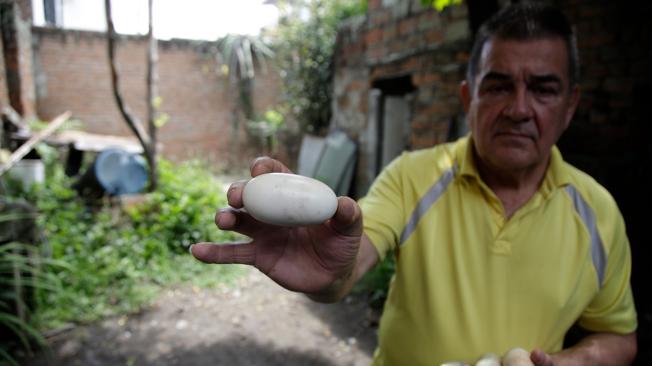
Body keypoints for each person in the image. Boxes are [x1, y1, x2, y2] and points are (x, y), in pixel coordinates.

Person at [190, 3, 638, 365]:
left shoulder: (599, 212)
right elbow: (349, 264)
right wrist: (328, 275)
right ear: (469, 98)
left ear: (570, 105)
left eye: (543, 89)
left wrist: (571, 362)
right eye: (498, 87)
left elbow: (619, 336)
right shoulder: (413, 176)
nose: (519, 109)